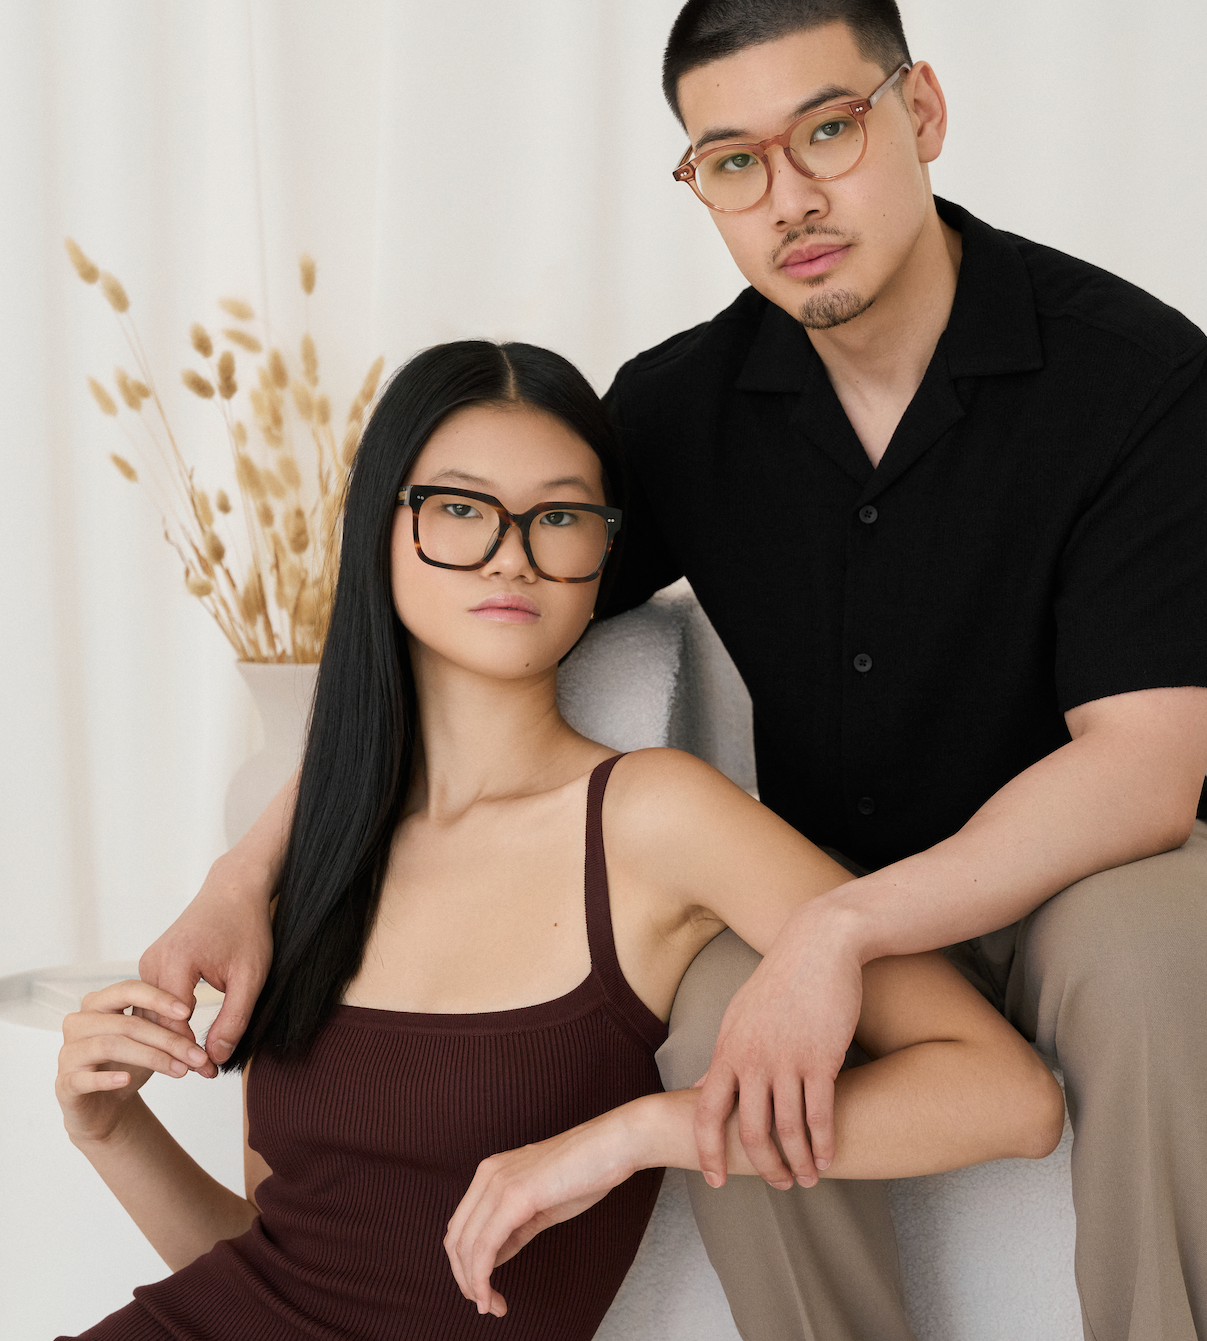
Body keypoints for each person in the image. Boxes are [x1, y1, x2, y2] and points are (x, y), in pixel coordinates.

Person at [140, 0, 1207, 1341]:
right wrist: (247, 874)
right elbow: (449, 628)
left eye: (828, 131)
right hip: (821, 874)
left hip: (1099, 864)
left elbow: (1141, 773)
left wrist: (844, 928)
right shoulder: (681, 407)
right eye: (732, 162)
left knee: (1154, 966)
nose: (789, 198)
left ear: (920, 111)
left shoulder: (1134, 369)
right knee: (724, 1009)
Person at [55, 340, 1063, 1341]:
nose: (513, 553)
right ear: (380, 530)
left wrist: (641, 1135)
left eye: (561, 516)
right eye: (460, 508)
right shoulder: (314, 855)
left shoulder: (653, 816)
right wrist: (109, 1129)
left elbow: (1009, 1096)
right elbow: (279, 1270)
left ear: (602, 557)